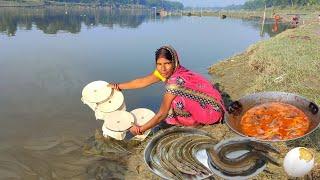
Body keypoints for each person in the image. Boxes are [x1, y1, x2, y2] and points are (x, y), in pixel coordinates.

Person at [108, 45, 225, 136]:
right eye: (159, 64)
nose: (163, 68)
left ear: (174, 62)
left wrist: (140, 129)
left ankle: (193, 122)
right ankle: (190, 117)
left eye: (167, 63)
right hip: (210, 104)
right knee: (173, 98)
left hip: (211, 113)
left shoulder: (175, 82)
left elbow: (161, 114)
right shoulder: (174, 71)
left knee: (173, 99)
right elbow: (142, 82)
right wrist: (118, 86)